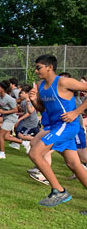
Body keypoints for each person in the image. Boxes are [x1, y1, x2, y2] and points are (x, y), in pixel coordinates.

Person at [28, 54, 87, 207]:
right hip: (56, 127)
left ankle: (59, 191)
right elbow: (43, 109)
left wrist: (76, 112)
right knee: (74, 164)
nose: (36, 71)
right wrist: (34, 101)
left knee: (34, 153)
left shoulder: (63, 82)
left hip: (67, 126)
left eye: (38, 67)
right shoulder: (41, 86)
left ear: (50, 67)